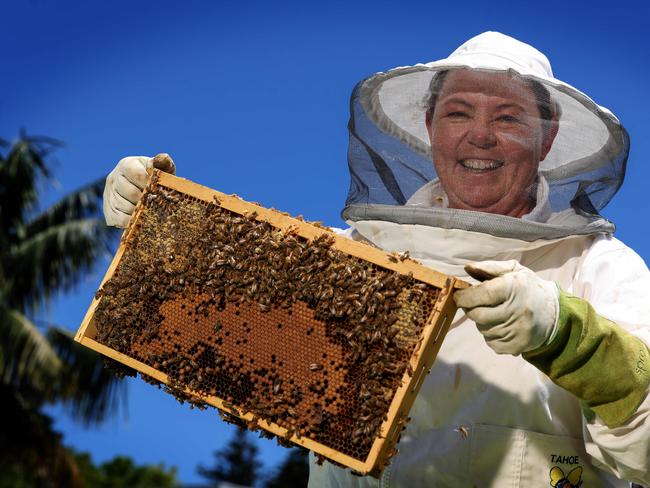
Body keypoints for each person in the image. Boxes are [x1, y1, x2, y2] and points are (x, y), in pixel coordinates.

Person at [103, 32, 650, 486]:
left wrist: (567, 335)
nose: (479, 136)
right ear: (430, 128)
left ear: (547, 136)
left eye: (508, 118)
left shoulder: (598, 267)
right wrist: (158, 226)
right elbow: (225, 321)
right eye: (458, 113)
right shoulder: (356, 259)